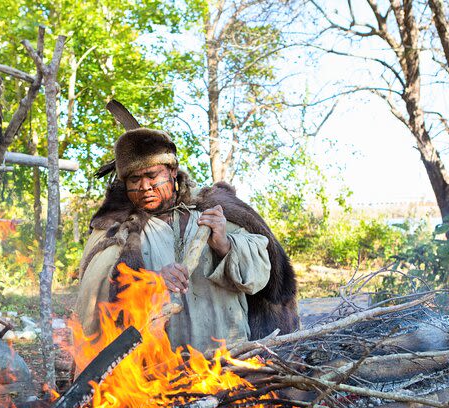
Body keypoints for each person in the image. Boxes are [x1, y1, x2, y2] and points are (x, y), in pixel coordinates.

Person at [76, 122, 299, 353]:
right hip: (160, 368)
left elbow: (261, 274)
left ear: (172, 171)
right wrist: (151, 281)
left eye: (152, 175)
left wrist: (224, 245)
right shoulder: (116, 229)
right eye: (134, 179)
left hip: (229, 362)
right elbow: (94, 296)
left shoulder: (215, 212)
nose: (144, 187)